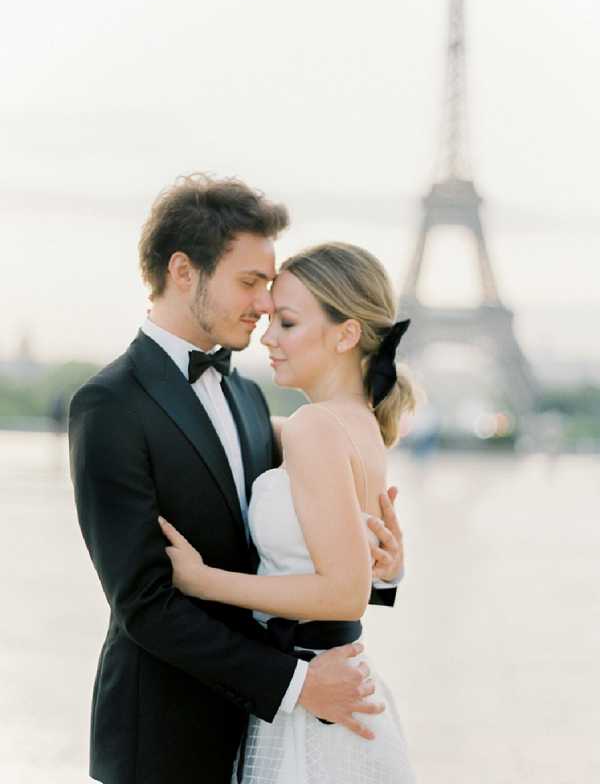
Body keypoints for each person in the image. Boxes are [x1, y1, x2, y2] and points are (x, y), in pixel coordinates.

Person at [68, 175, 404, 784]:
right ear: (183, 271)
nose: (265, 305)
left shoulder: (250, 398)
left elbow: (294, 545)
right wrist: (298, 684)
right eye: (250, 282)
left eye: (269, 289)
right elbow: (143, 603)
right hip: (167, 739)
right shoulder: (108, 405)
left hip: (270, 731)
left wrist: (378, 565)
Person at [159, 241, 416, 783]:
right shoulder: (359, 422)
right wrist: (391, 570)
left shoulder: (314, 428)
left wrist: (204, 581)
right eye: (272, 320)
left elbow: (345, 592)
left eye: (289, 323)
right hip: (331, 693)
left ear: (346, 334)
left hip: (311, 704)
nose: (267, 337)